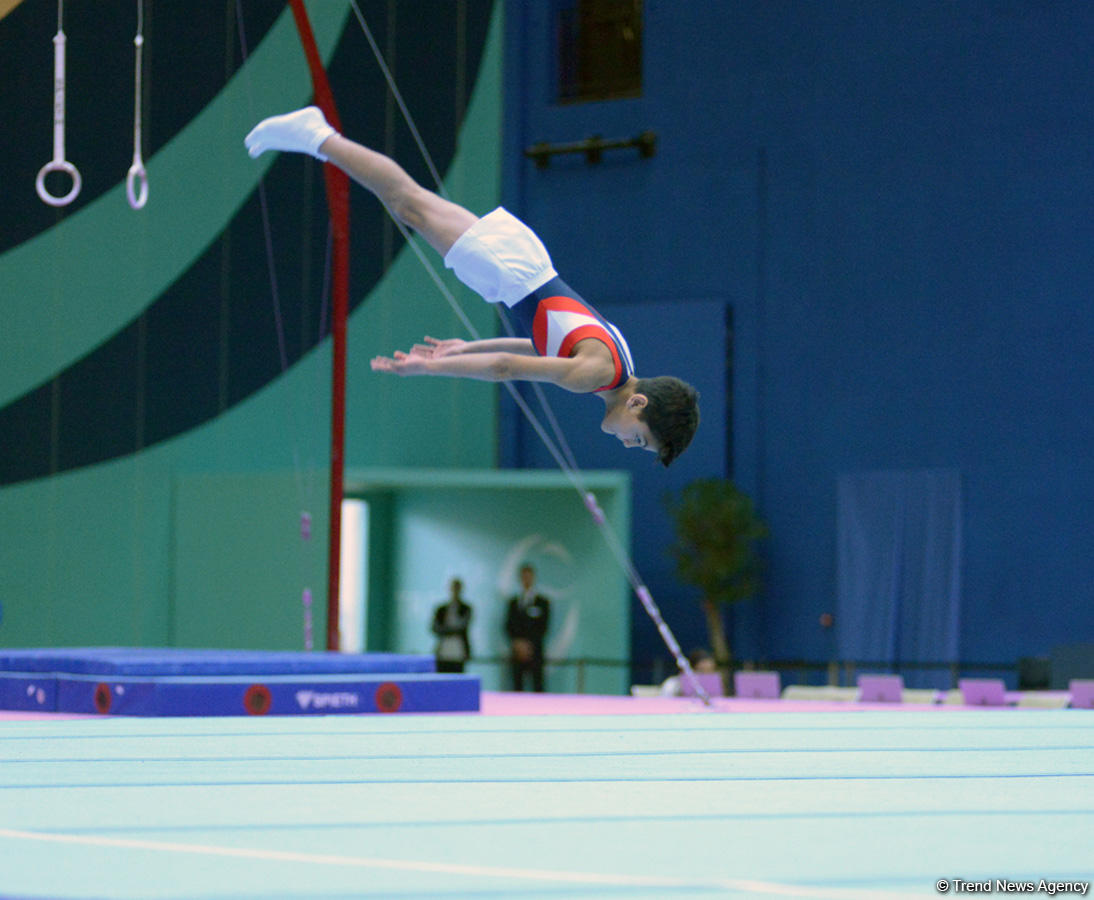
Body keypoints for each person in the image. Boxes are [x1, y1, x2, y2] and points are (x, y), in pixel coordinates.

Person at [244, 106, 699, 466]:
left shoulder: (618, 362)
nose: (626, 443)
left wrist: (463, 348)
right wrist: (431, 370)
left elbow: (532, 345)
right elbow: (504, 368)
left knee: (411, 201)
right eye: (638, 439)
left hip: (526, 264)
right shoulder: (594, 378)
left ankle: (318, 137)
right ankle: (317, 136)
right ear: (637, 402)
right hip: (509, 273)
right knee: (407, 202)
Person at [504, 563, 550, 692]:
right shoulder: (513, 603)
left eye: (529, 576)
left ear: (533, 578)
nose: (526, 579)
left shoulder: (543, 602)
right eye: (524, 577)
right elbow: (508, 625)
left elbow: (543, 627)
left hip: (535, 652)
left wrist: (529, 646)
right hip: (517, 653)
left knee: (537, 688)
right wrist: (518, 644)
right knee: (517, 688)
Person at [431, 577, 473, 674]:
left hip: (458, 650)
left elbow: (463, 627)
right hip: (443, 650)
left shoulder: (466, 608)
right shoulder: (441, 609)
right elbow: (435, 627)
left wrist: (447, 630)